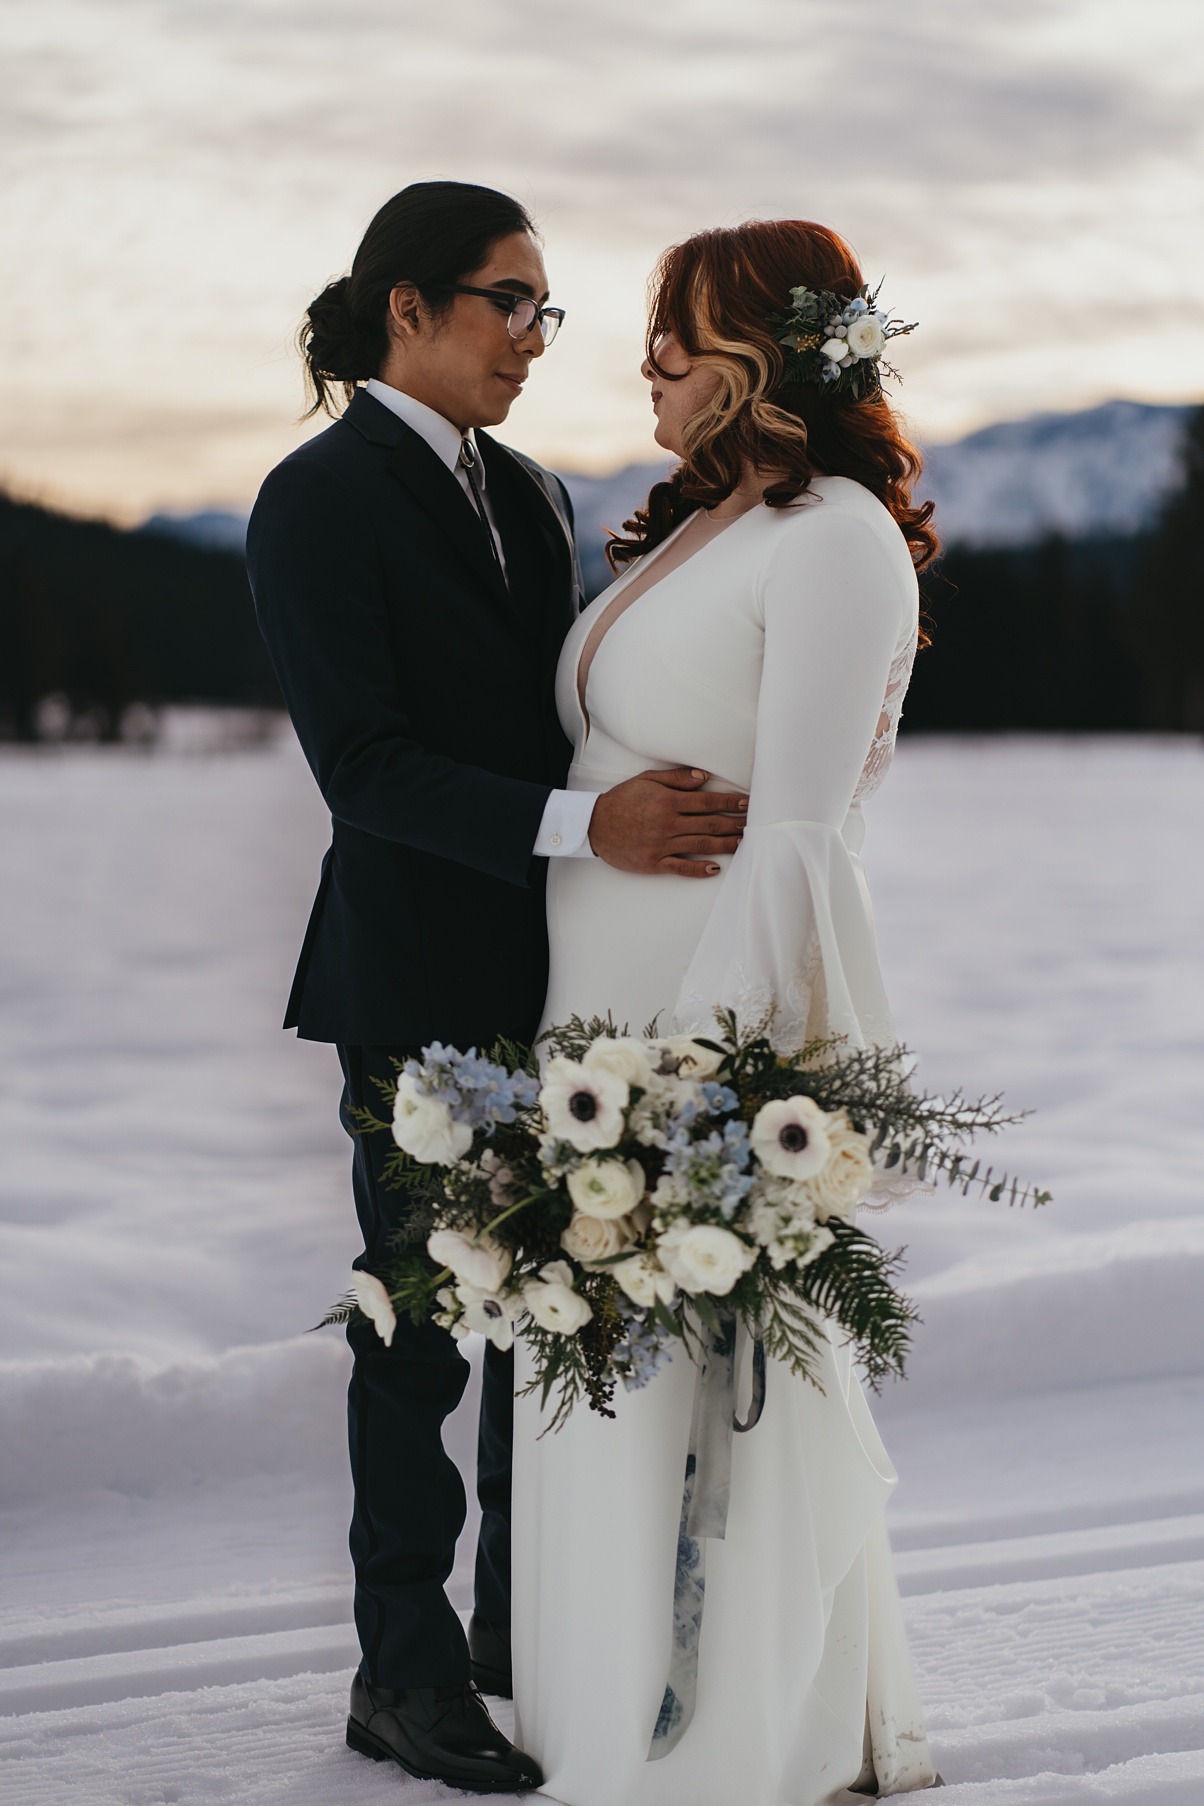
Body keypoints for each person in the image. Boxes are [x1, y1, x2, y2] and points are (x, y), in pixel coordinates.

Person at [246, 180, 748, 1795]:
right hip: (410, 984)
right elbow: (368, 766)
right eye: (506, 303)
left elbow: (566, 718)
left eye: (548, 310)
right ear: (408, 306)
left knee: (550, 1323)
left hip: (563, 986)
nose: (535, 339)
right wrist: (579, 825)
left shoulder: (533, 494)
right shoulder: (312, 499)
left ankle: (520, 1638)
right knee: (420, 1325)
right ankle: (400, 1673)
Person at [511, 220, 943, 1804]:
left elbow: (803, 835)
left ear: (768, 352)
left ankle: (730, 1743)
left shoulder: (836, 535)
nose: (650, 363)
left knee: (704, 1391)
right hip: (593, 1035)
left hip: (693, 1038)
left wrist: (711, 1073)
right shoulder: (708, 523)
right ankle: (606, 1717)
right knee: (606, 1388)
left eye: (680, 336)